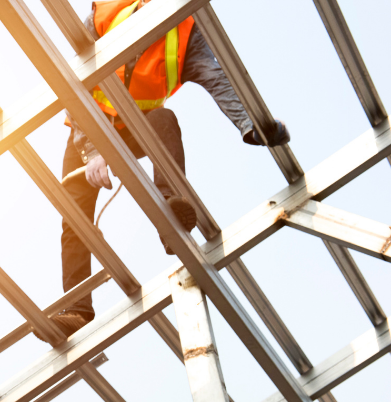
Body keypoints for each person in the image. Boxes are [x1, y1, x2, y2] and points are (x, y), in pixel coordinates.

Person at [39, 0, 291, 341]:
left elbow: (215, 77)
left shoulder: (185, 28)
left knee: (164, 121)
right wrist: (94, 148)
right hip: (88, 128)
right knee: (75, 216)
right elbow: (75, 83)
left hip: (136, 126)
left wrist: (252, 125)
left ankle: (172, 209)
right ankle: (77, 311)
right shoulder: (104, 12)